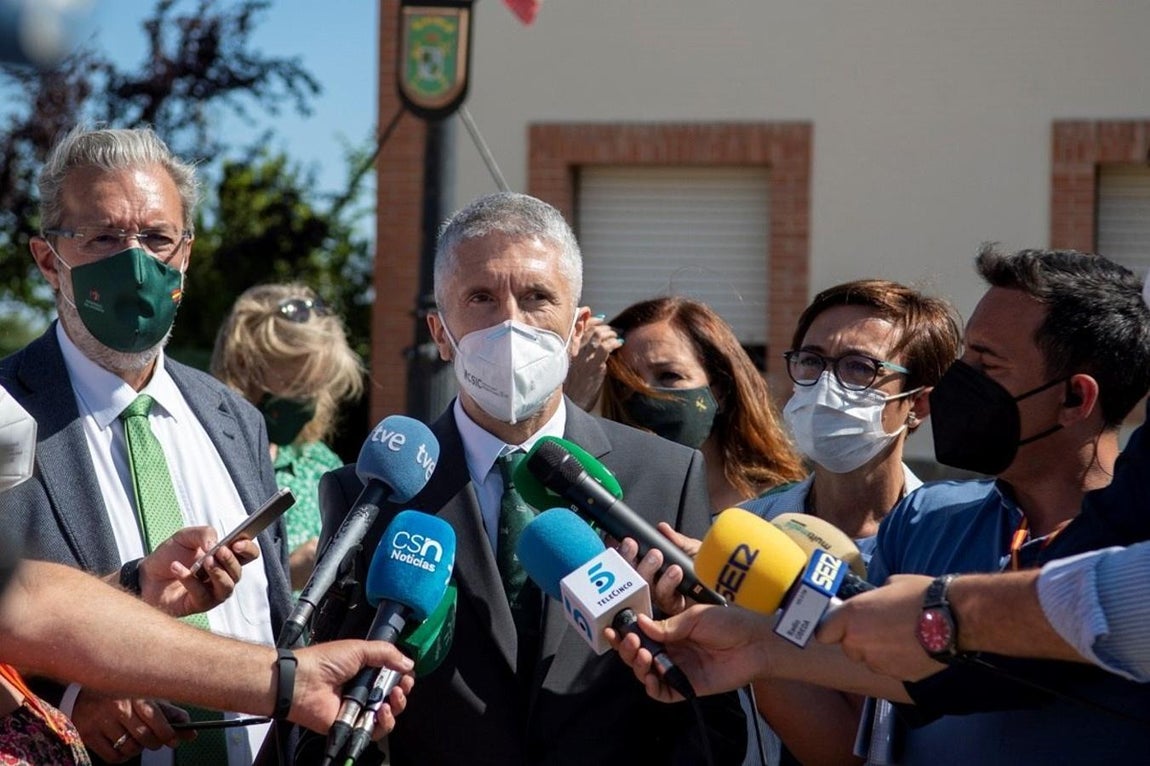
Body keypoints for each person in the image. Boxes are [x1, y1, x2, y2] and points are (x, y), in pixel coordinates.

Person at [305, 191, 747, 765]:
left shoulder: (666, 474)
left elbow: (709, 714)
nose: (510, 323)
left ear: (578, 328)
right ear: (440, 333)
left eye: (537, 297)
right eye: (481, 298)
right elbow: (332, 710)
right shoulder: (372, 492)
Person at [0, 125, 292, 765]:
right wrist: (67, 703)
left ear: (185, 254)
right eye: (104, 238)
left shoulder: (235, 420)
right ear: (48, 260)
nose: (135, 265)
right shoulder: (4, 414)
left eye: (157, 239)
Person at [741, 280, 962, 559]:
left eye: (859, 366)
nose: (825, 386)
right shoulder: (745, 532)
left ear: (918, 404)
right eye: (811, 361)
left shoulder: (955, 537)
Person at [587, 296, 805, 515]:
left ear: (722, 389)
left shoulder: (786, 507)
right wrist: (576, 402)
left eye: (669, 375)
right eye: (625, 383)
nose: (645, 395)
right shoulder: (605, 502)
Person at [211, 282, 365, 591]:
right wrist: (288, 573)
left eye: (317, 386)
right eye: (298, 383)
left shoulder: (319, 464)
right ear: (246, 367)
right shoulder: (203, 454)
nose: (309, 400)